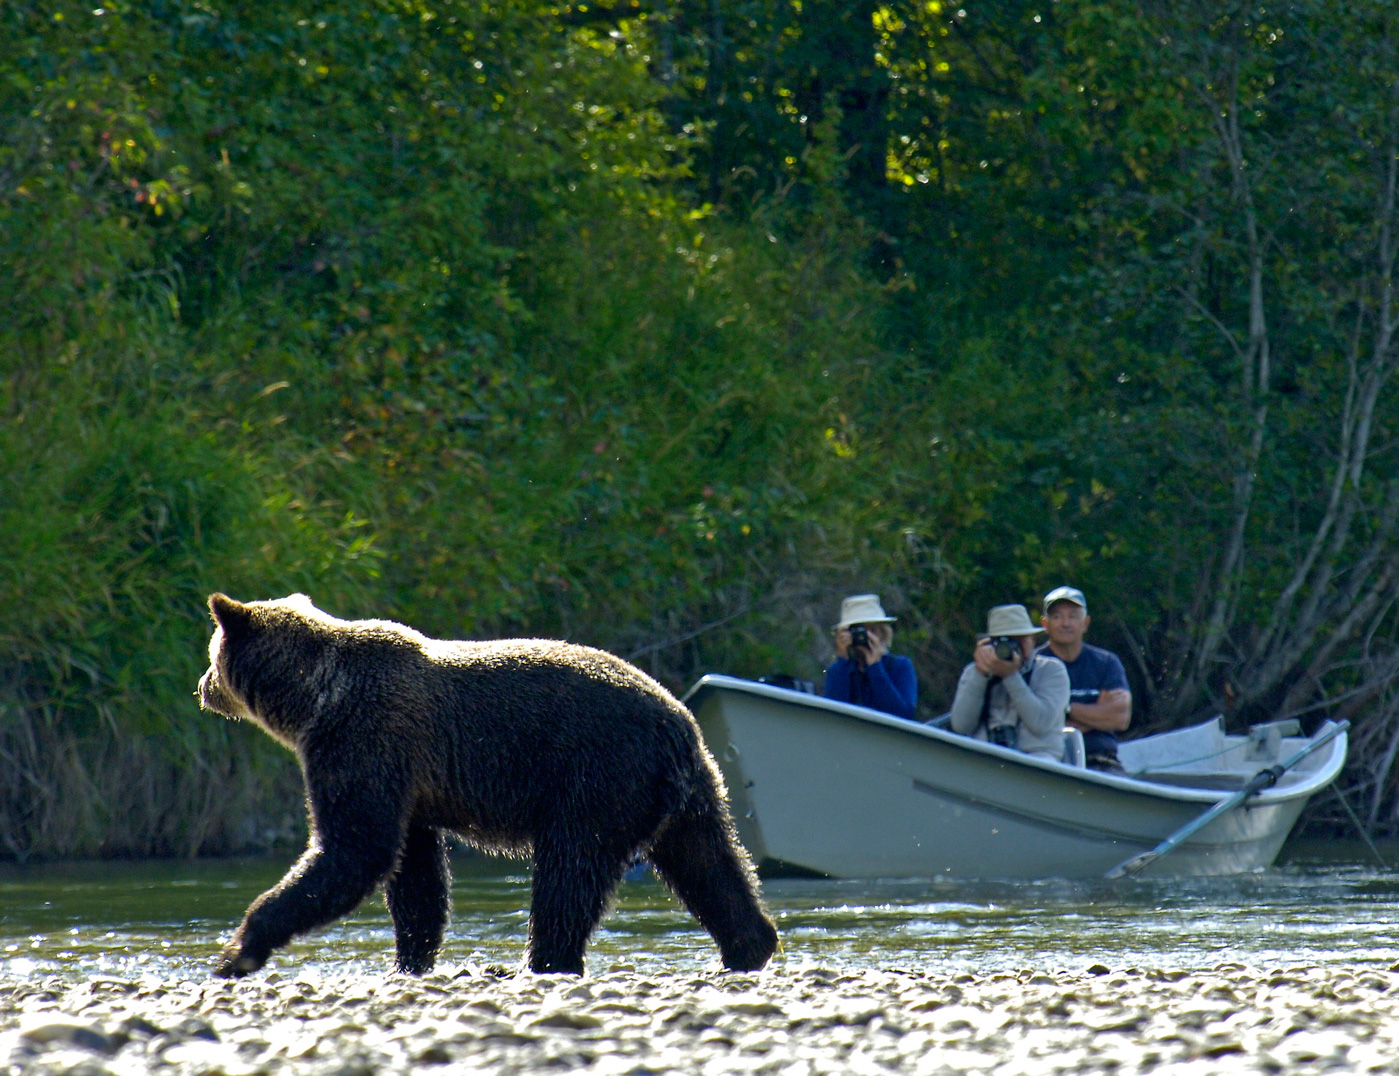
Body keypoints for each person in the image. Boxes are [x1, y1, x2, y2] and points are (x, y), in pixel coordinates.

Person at [949, 604, 1069, 762]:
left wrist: (1010, 676)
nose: (1013, 648)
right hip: (983, 757)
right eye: (1006, 641)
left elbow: (1040, 723)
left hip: (1036, 758)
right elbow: (961, 726)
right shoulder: (974, 672)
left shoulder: (1051, 670)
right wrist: (981, 675)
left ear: (1033, 640)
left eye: (1020, 640)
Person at [1038, 585, 1132, 774]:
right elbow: (1034, 720)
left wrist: (1066, 709)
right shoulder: (1034, 664)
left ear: (1085, 623)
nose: (1065, 623)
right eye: (1057, 616)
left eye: (1073, 616)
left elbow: (1120, 718)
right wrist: (1096, 714)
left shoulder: (1106, 662)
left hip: (1101, 760)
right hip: (1048, 760)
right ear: (1045, 624)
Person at [822, 594, 918, 720]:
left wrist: (875, 667)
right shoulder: (838, 671)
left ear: (883, 633)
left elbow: (904, 715)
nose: (865, 637)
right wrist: (843, 658)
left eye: (872, 630)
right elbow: (832, 716)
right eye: (859, 631)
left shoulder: (900, 666)